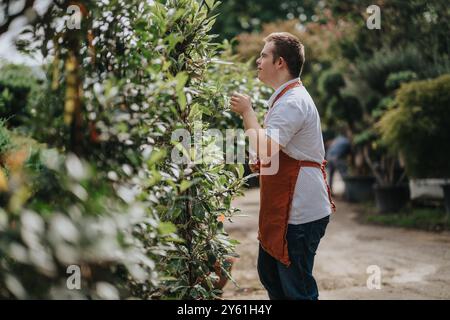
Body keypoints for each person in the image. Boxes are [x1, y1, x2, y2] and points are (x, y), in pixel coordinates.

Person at [230, 32, 335, 300]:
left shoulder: (293, 101)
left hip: (299, 212)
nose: (258, 60)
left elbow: (266, 147)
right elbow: (271, 149)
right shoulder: (284, 98)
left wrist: (247, 112)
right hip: (285, 211)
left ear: (280, 63)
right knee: (272, 277)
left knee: (296, 290)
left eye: (264, 55)